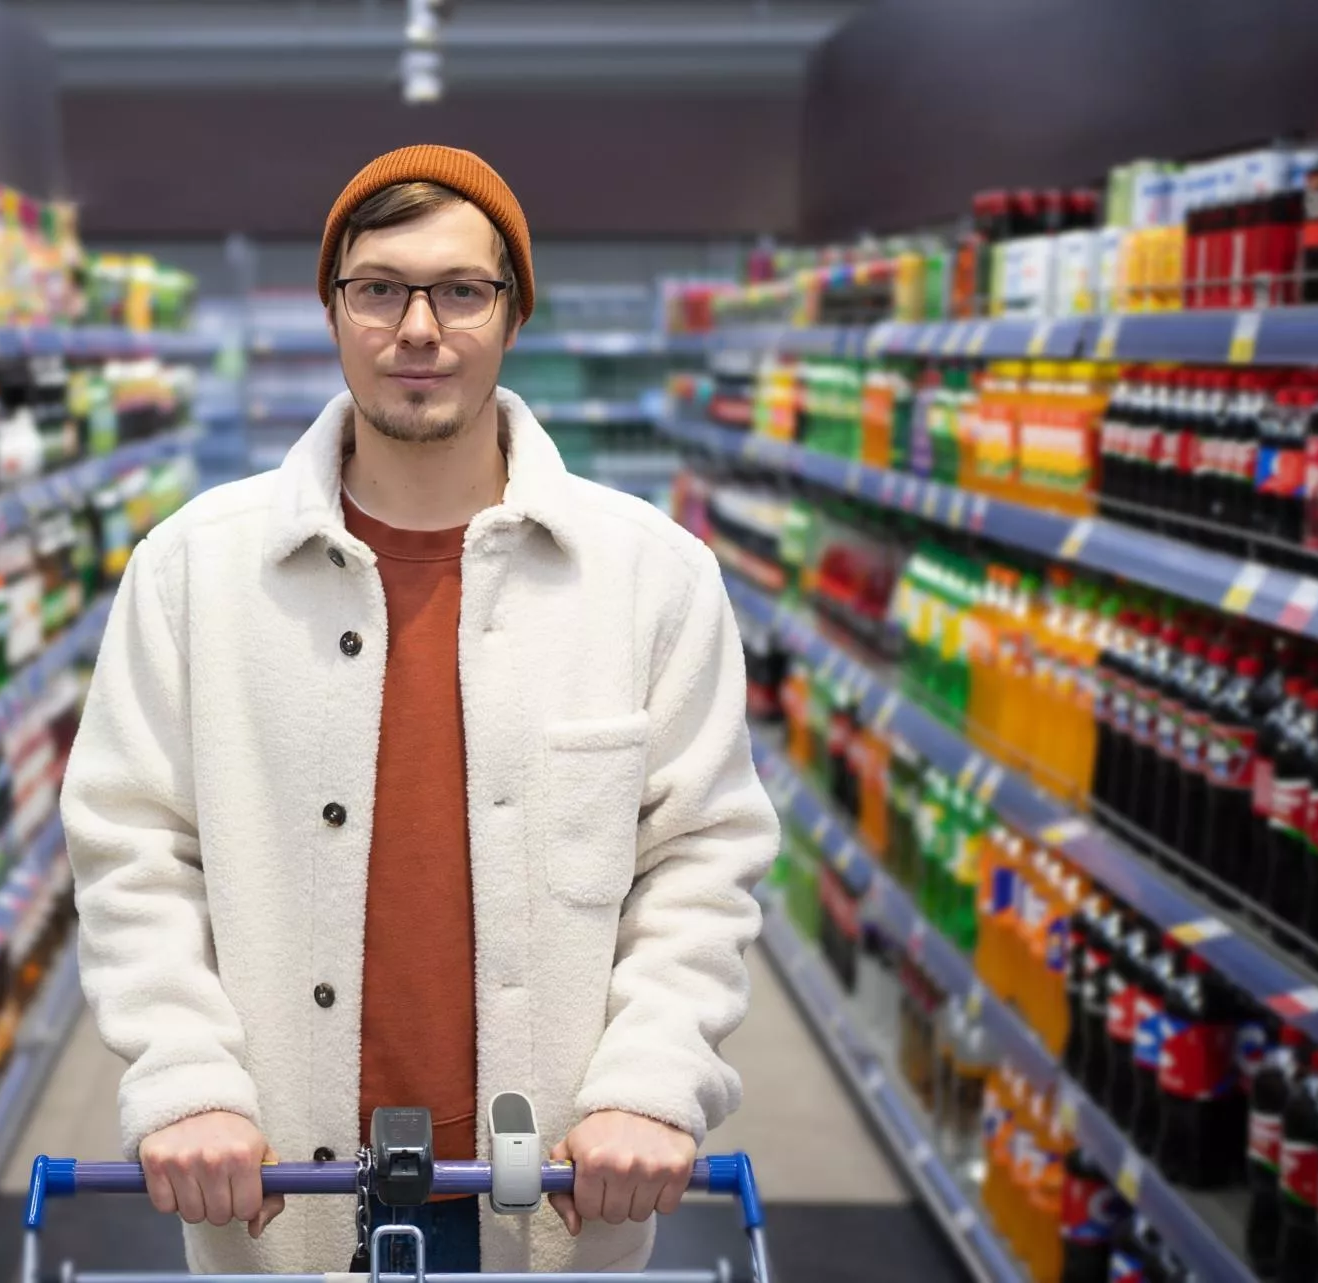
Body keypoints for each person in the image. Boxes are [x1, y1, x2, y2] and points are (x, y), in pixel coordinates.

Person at [59, 144, 780, 1275]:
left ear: (514, 312)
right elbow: (131, 848)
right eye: (379, 289)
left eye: (461, 290)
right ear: (333, 309)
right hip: (277, 1188)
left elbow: (700, 858)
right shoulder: (193, 570)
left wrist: (652, 1082)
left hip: (554, 1190)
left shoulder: (652, 577)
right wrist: (185, 1078)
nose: (418, 328)